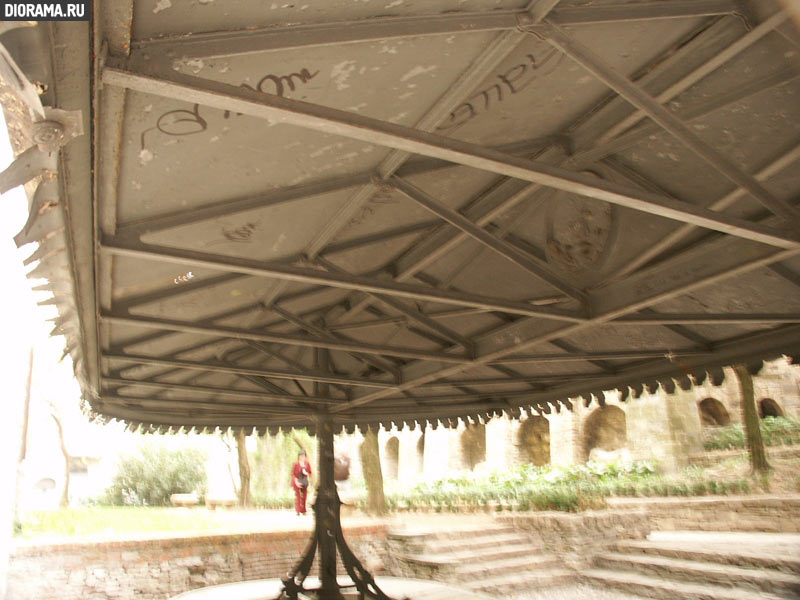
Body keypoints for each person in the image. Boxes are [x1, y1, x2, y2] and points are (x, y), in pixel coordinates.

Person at [291, 450, 312, 515]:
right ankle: (298, 510)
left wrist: (306, 473)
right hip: (297, 481)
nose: (302, 457)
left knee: (304, 496)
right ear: (299, 456)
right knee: (298, 496)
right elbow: (293, 474)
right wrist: (296, 482)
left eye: (303, 456)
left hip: (304, 481)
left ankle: (303, 510)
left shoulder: (307, 464)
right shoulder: (296, 464)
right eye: (301, 456)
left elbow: (310, 472)